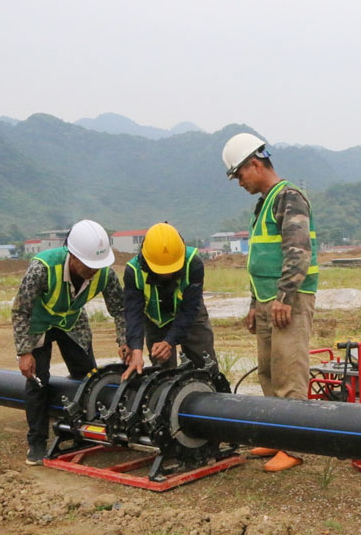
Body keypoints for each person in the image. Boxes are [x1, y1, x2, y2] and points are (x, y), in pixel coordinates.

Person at [222, 132, 318, 472]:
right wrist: (254, 303)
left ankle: (294, 445)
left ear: (255, 163)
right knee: (268, 369)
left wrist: (284, 297)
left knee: (289, 371)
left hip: (287, 300)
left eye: (240, 175)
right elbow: (262, 258)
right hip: (266, 300)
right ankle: (277, 435)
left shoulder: (289, 197)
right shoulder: (263, 202)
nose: (239, 183)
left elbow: (297, 251)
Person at [11, 219, 128, 465]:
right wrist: (24, 352)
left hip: (72, 321)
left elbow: (121, 309)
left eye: (98, 265)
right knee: (37, 380)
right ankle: (37, 442)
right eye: (88, 265)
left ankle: (84, 432)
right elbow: (21, 310)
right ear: (72, 256)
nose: (94, 271)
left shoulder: (104, 273)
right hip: (38, 324)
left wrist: (124, 339)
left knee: (88, 377)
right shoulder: (42, 267)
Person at [120, 222, 224, 387]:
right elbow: (133, 313)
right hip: (155, 319)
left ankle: (217, 397)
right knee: (162, 373)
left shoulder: (193, 263)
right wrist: (136, 350)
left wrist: (170, 341)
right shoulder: (133, 271)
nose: (167, 274)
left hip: (190, 314)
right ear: (147, 260)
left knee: (204, 364)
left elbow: (190, 309)